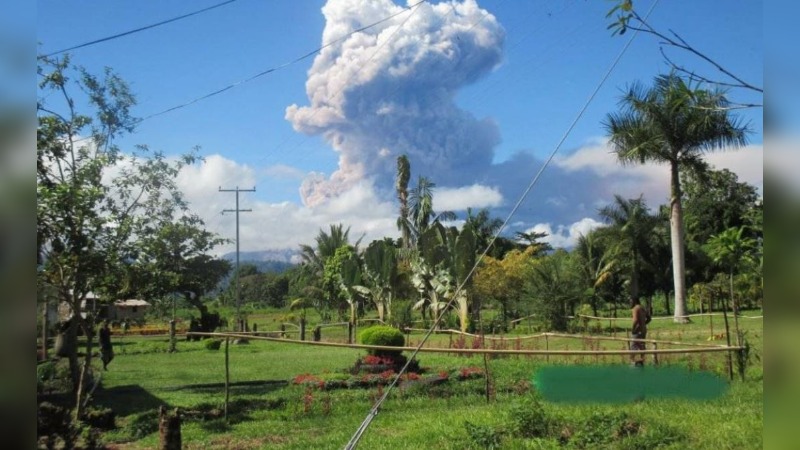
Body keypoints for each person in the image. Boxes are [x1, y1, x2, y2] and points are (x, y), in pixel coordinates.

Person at [630, 297, 648, 367]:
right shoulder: (642, 308)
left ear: (634, 301)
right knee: (642, 345)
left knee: (633, 346)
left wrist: (633, 329)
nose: (629, 303)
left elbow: (635, 320)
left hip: (637, 331)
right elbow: (649, 318)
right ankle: (642, 361)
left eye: (630, 301)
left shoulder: (635, 308)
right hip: (643, 330)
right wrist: (643, 324)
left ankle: (632, 362)